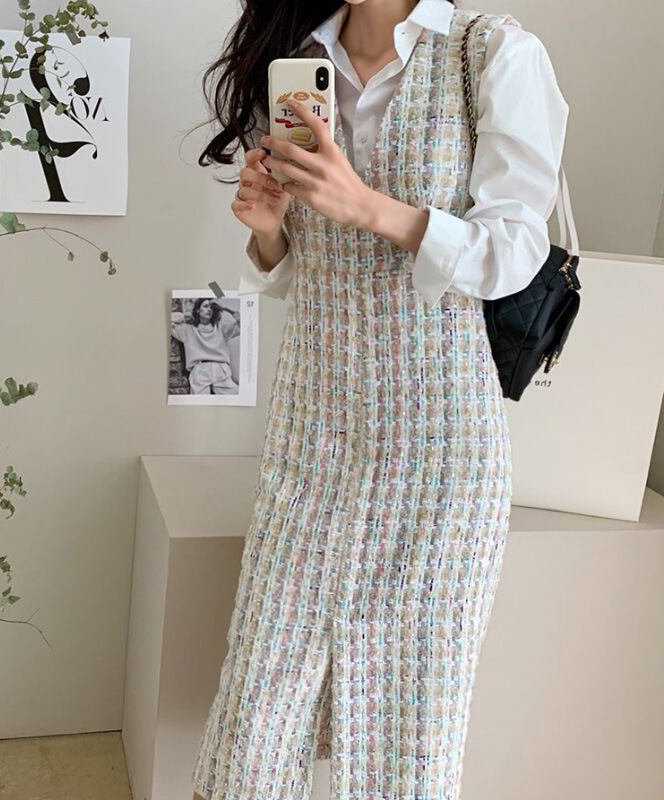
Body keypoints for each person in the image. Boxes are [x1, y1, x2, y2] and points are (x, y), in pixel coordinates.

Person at [191, 1, 568, 799]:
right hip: (312, 434)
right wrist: (268, 229)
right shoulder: (296, 58)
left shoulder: (491, 54)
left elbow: (514, 251)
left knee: (407, 730)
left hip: (440, 448)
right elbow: (295, 268)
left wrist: (362, 204)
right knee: (256, 714)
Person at [171, 298, 241, 395]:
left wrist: (225, 308)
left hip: (221, 369)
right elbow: (166, 321)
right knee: (200, 401)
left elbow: (244, 324)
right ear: (198, 310)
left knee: (236, 396)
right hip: (200, 369)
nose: (209, 310)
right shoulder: (187, 330)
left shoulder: (221, 328)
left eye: (212, 307)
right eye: (205, 306)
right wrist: (186, 315)